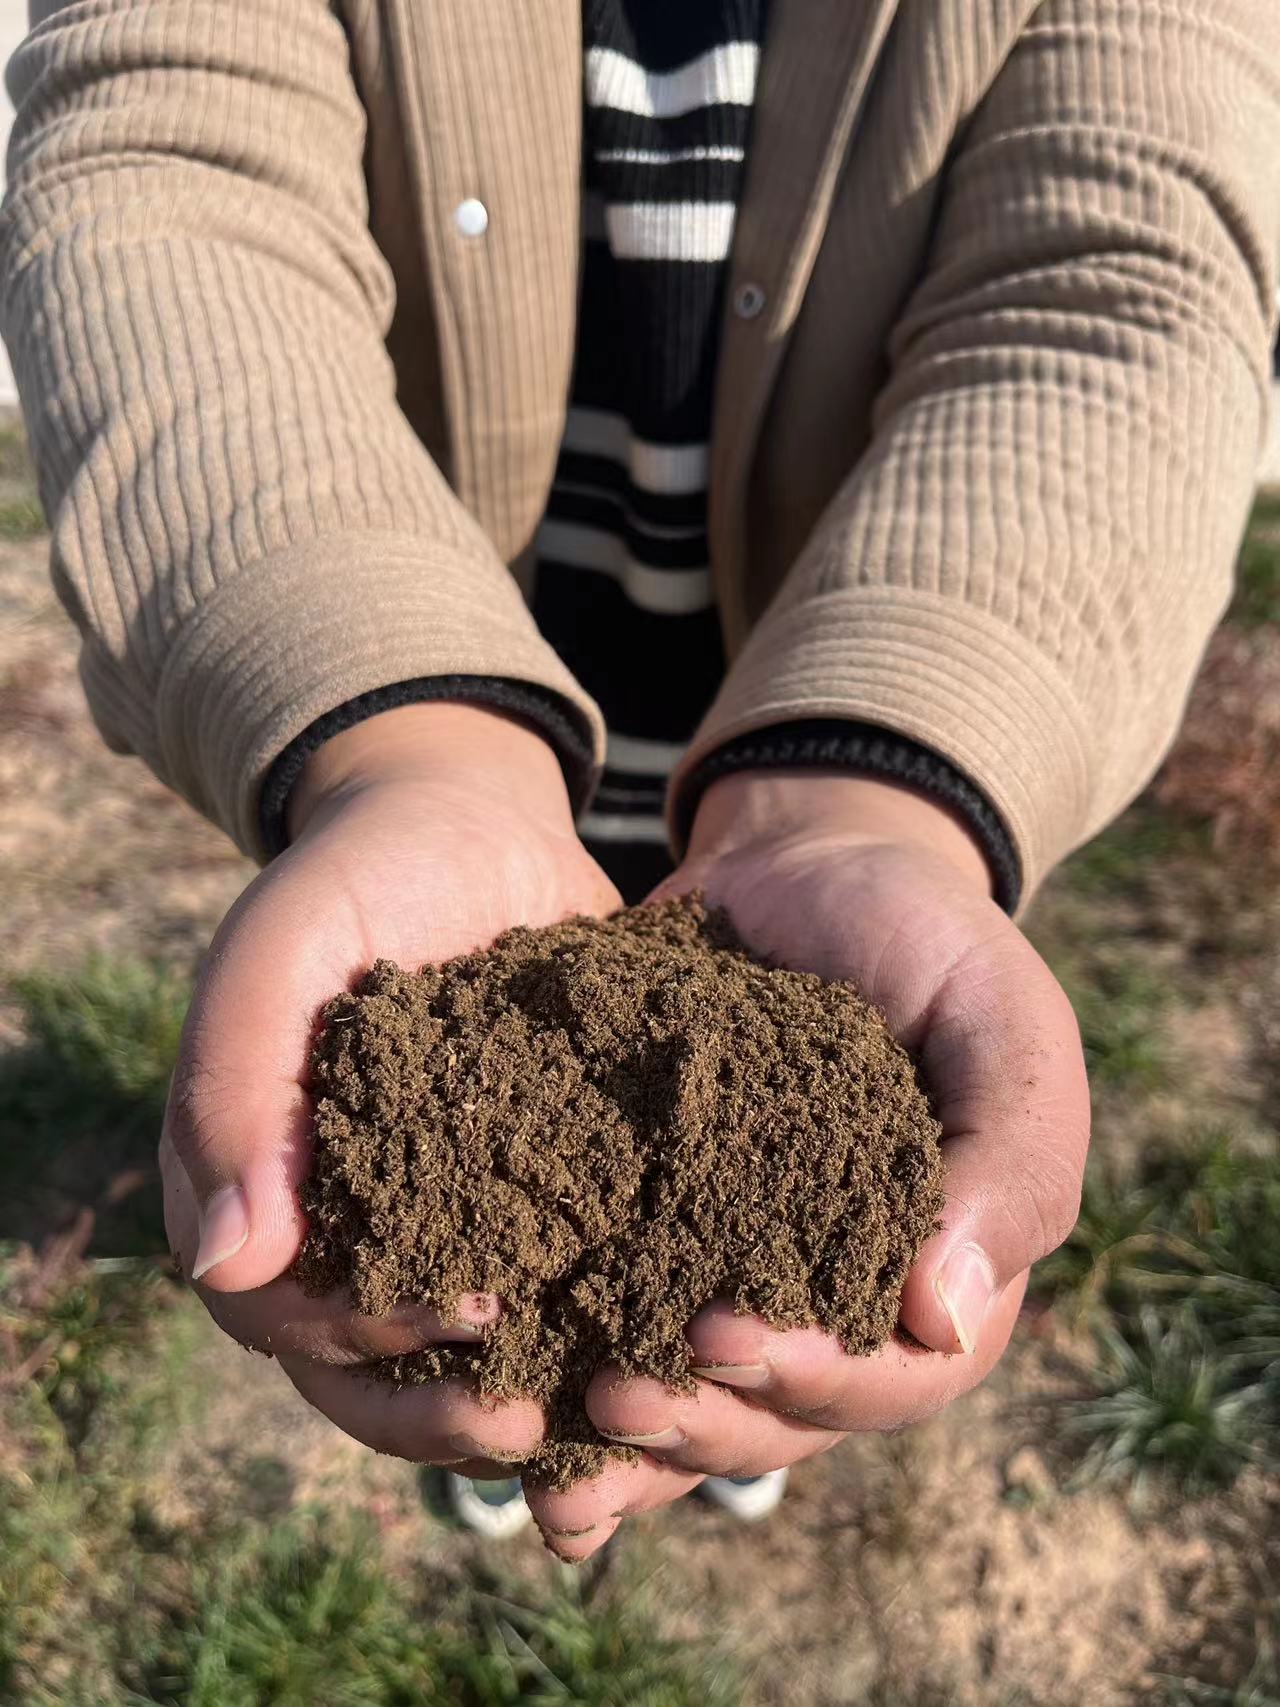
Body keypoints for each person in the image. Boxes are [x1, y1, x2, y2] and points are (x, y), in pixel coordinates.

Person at [2, 0, 1276, 1560]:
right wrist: (403, 741)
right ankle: (504, 1389)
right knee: (445, 1231)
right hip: (421, 663)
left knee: (758, 1314)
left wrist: (873, 795)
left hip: (834, 685)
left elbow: (1117, 276)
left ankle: (737, 1396)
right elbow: (171, 164)